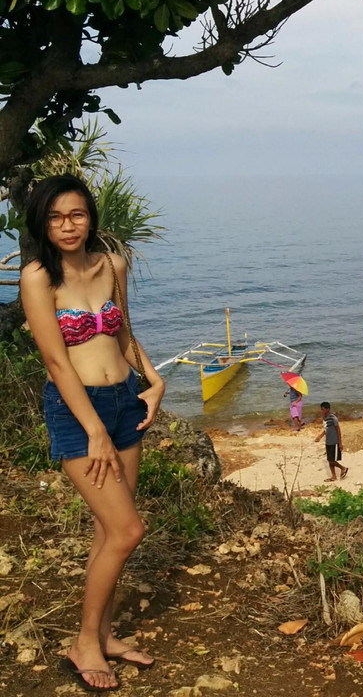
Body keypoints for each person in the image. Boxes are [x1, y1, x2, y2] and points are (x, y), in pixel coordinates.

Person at [20, 175, 165, 692]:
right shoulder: (39, 277)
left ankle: (103, 635)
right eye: (56, 217)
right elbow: (57, 363)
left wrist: (153, 378)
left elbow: (123, 332)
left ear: (91, 216)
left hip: (125, 402)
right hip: (77, 409)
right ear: (43, 221)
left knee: (110, 532)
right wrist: (94, 431)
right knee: (129, 530)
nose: (67, 225)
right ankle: (83, 642)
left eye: (77, 214)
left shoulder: (112, 264)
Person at [314, 401, 348, 481]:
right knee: (329, 460)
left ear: (327, 409)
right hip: (328, 442)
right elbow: (326, 429)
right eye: (321, 409)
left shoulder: (333, 418)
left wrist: (340, 443)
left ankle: (343, 468)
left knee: (332, 460)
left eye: (323, 409)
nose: (322, 411)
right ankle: (333, 476)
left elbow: (338, 430)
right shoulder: (324, 419)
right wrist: (320, 436)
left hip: (334, 441)